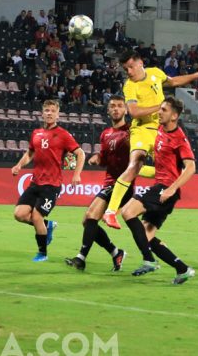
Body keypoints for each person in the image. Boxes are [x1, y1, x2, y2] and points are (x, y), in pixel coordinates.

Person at [102, 49, 198, 229]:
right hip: (142, 129)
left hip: (159, 131)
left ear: (140, 63)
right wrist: (159, 106)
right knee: (136, 162)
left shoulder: (155, 73)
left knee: (169, 171)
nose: (128, 72)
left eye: (130, 67)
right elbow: (134, 112)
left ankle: (133, 177)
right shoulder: (130, 86)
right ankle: (111, 212)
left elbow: (174, 81)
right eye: (125, 69)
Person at [120, 97, 197, 284]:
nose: (159, 112)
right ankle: (183, 269)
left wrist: (171, 189)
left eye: (163, 110)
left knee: (127, 211)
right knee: (146, 235)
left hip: (165, 189)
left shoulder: (179, 139)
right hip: (160, 186)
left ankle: (149, 260)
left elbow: (191, 167)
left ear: (174, 115)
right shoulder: (161, 129)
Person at [11, 100, 85, 262]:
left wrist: (76, 174)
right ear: (42, 113)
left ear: (58, 114)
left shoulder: (63, 135)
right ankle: (48, 226)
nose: (49, 113)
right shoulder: (36, 133)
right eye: (47, 110)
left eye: (53, 111)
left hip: (52, 185)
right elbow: (29, 153)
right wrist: (18, 165)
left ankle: (42, 253)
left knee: (37, 216)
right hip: (35, 183)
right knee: (19, 214)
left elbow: (81, 153)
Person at [64, 95, 131, 272]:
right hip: (109, 183)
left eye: (119, 106)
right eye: (113, 106)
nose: (116, 109)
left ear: (125, 110)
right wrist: (98, 158)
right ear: (108, 110)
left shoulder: (132, 131)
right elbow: (106, 158)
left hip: (123, 184)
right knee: (88, 221)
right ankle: (116, 252)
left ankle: (81, 258)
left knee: (91, 216)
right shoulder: (105, 134)